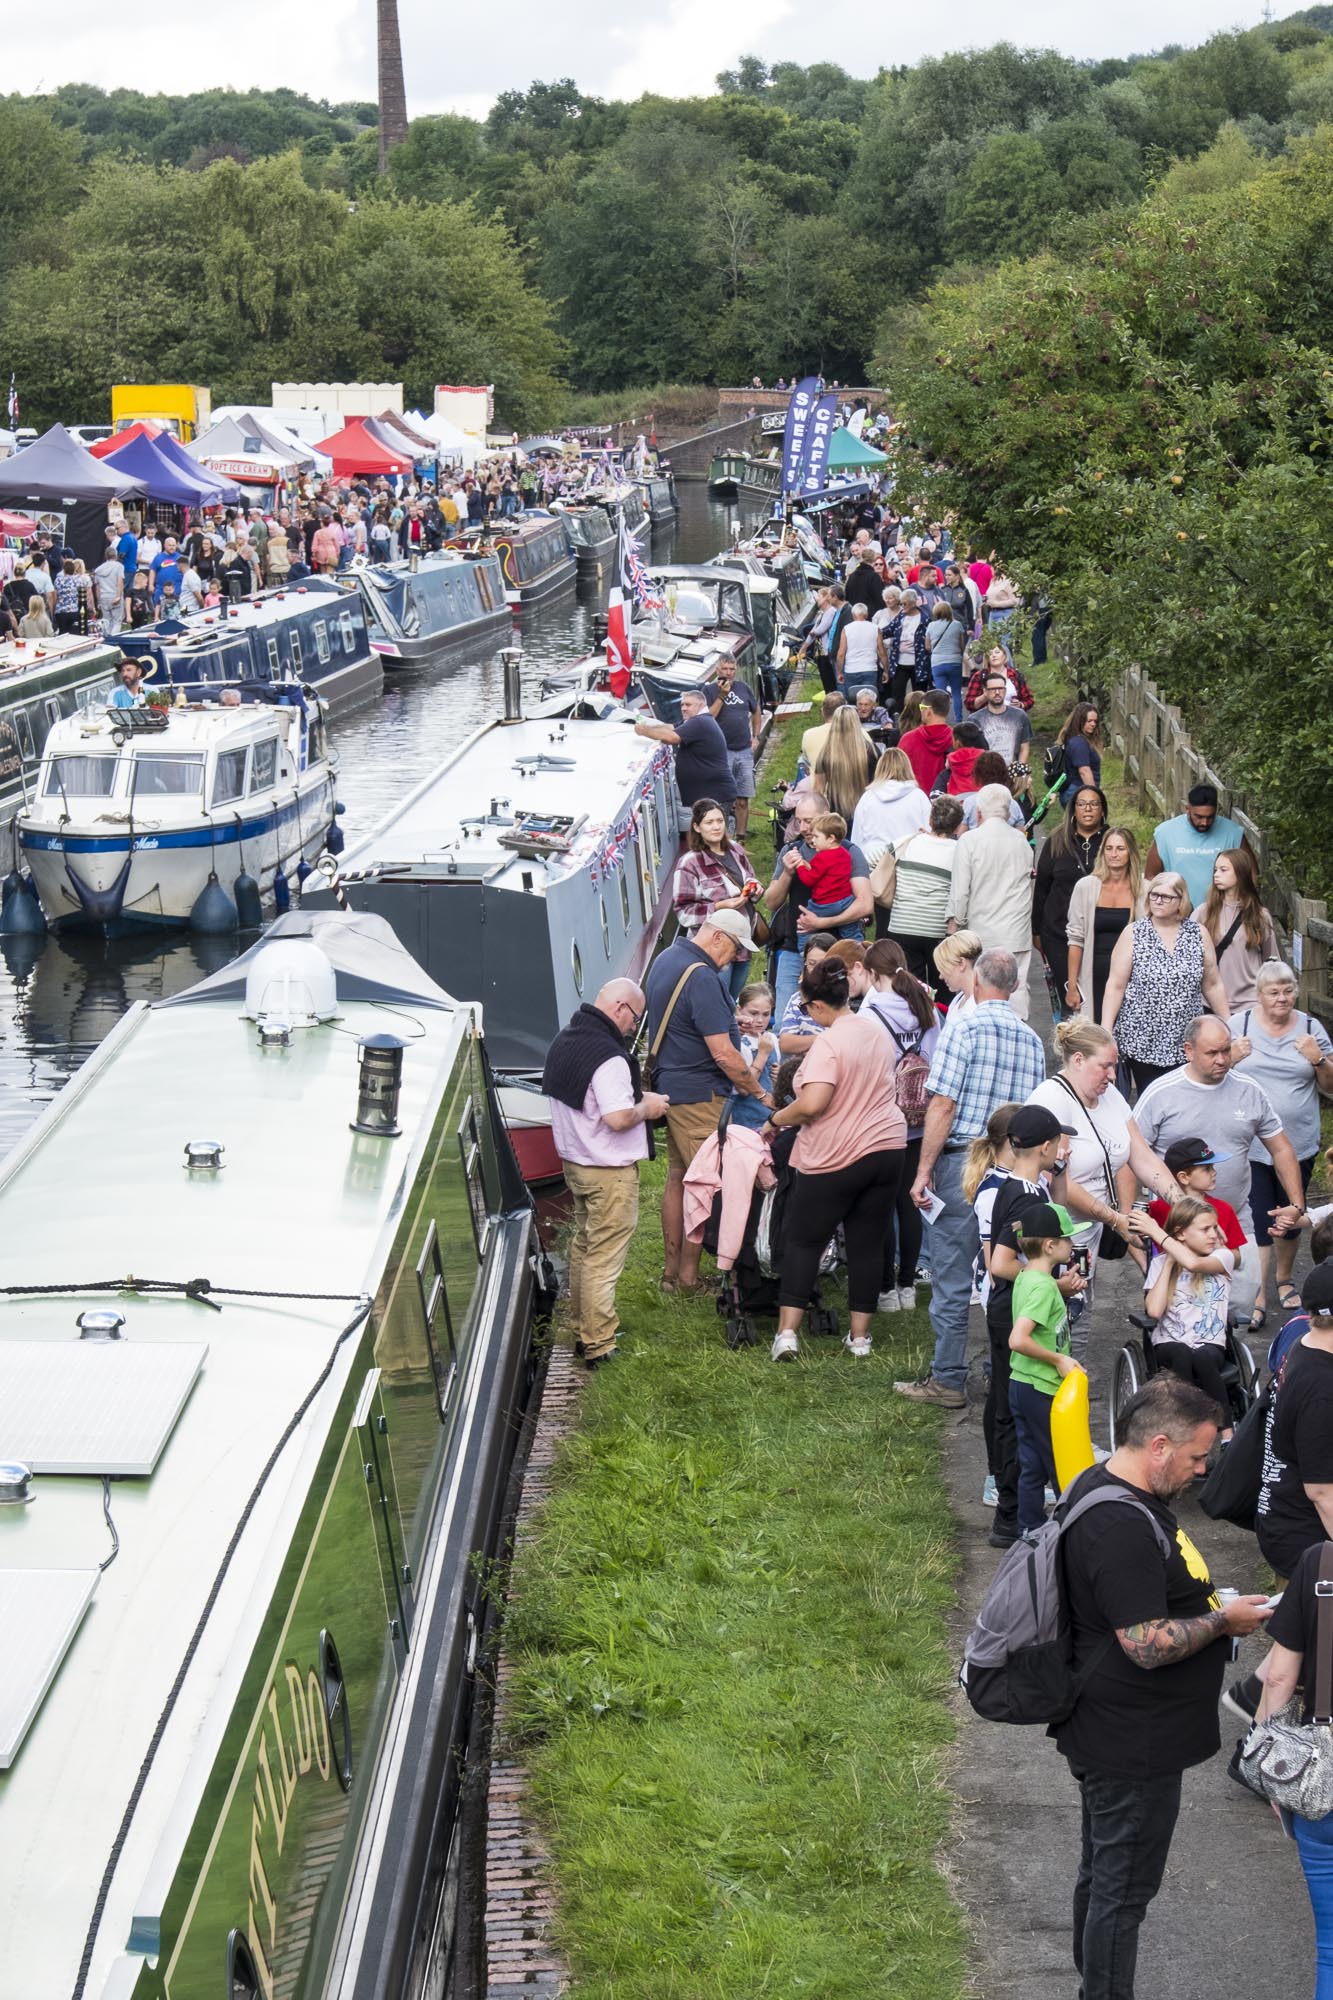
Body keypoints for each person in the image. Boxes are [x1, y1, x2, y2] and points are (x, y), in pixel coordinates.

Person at [1055, 1376, 1272, 2000]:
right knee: (1121, 1891)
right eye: (1198, 1456)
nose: (1203, 1470)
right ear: (1157, 1445)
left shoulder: (1103, 1486)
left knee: (1102, 1875)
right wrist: (1222, 1621)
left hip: (1116, 1726)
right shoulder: (1121, 1526)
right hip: (1133, 1738)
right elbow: (1145, 1642)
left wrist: (1213, 1602)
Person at [895, 949, 1046, 1407]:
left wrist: (923, 1171)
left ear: (977, 984)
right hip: (1014, 1167)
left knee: (952, 1273)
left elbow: (942, 1104)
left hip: (965, 1161)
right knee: (1009, 1273)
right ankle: (1005, 1371)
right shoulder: (1032, 1040)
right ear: (1016, 986)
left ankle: (947, 1377)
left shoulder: (963, 1027)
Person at [762, 956, 907, 1362]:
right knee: (866, 1243)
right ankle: (860, 1339)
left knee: (804, 1240)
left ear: (818, 1006)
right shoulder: (875, 1031)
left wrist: (775, 1119)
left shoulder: (828, 1042)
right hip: (886, 1149)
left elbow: (812, 1104)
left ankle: (787, 1335)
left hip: (835, 1155)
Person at [1131, 1014, 1307, 1320]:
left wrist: (1296, 1204)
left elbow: (1280, 1148)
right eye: (1212, 1053)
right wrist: (1129, 1212)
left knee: (1238, 1307)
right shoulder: (1161, 1093)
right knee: (1180, 1314)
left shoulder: (1248, 1089)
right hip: (1178, 1227)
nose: (1223, 1059)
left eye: (1226, 1050)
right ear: (1189, 1050)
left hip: (1235, 1219)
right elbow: (1130, 1152)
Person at [541, 979, 668, 1369]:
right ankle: (598, 1343)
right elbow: (616, 1117)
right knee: (603, 1256)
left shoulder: (565, 1039)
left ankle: (582, 1324)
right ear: (620, 1008)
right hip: (607, 1171)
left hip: (575, 1163)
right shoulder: (609, 1056)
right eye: (636, 1018)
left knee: (583, 1245)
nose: (635, 1027)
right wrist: (648, 1107)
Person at [644, 909, 764, 1294]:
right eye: (734, 949)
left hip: (672, 1088)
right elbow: (725, 1055)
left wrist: (731, 1022)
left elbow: (684, 1019)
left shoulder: (668, 959)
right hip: (699, 1096)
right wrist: (757, 1089)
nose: (734, 958)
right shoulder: (703, 977)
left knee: (678, 1179)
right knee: (702, 1185)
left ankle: (671, 1274)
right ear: (716, 938)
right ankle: (689, 1280)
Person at [1252, 1440, 1333, 1996]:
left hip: (1325, 1775)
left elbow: (1278, 1678)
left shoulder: (1319, 1563)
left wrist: (1268, 1764)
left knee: (1331, 1945)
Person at [985, 1117, 1082, 1545]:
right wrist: (1050, 1284)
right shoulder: (1023, 1197)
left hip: (1018, 1306)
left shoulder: (1028, 1188)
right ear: (1045, 1146)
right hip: (1016, 1315)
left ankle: (1018, 1518)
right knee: (1013, 1419)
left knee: (1010, 1413)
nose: (1063, 1150)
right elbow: (999, 1263)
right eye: (1059, 1143)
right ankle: (1012, 1517)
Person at [1229, 959, 1333, 1320]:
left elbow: (1331, 1086)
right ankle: (1257, 1293)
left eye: (1288, 990)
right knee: (1259, 1215)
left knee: (1292, 1211)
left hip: (1300, 1139)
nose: (1282, 998)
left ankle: (1284, 1278)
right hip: (1251, 1141)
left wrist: (1318, 1059)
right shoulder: (1239, 1025)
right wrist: (1231, 1056)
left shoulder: (1310, 1028)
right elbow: (1214, 1070)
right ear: (1259, 995)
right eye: (1273, 992)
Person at [1029, 1016, 1176, 1271]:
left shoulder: (1111, 1096)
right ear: (1078, 1060)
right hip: (1057, 1237)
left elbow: (1142, 1157)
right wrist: (1115, 1219)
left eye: (1115, 1066)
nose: (1112, 1075)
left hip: (1091, 1231)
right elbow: (1057, 1178)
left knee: (1082, 1307)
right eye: (1105, 1066)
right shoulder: (1052, 1100)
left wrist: (1182, 1200)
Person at [863, 937, 940, 1311]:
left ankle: (885, 1290)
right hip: (920, 1119)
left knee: (880, 1206)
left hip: (882, 1121)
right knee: (910, 1204)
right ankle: (909, 1286)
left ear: (873, 973)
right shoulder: (926, 1006)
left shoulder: (871, 1012)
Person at [1101, 874, 1229, 1094]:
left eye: (1166, 896)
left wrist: (1228, 1024)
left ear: (1181, 900)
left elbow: (1212, 983)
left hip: (1186, 1037)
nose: (1158, 900)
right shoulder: (1134, 933)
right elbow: (1115, 985)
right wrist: (1106, 1029)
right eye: (1154, 895)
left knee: (1188, 1097)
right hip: (1142, 1036)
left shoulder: (1198, 934)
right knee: (1150, 1096)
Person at [1008, 1199, 1083, 1537]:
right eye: (1068, 1239)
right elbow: (1018, 1339)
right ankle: (1072, 1530)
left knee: (1032, 1465)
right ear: (1051, 1245)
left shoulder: (1029, 1277)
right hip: (1041, 1386)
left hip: (1020, 1384)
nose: (1072, 1244)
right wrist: (1059, 1359)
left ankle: (1030, 1529)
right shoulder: (1042, 1287)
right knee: (1060, 1462)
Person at [1131, 1198, 1238, 1433]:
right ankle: (1186, 1428)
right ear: (1180, 1234)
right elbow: (1155, 1311)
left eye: (1214, 1227)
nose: (1213, 1234)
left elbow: (1193, 1262)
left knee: (1201, 1357)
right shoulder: (1160, 1264)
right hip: (1170, 1343)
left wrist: (1157, 1234)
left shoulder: (1222, 1258)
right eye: (1205, 1229)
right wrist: (1169, 1262)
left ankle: (1227, 1433)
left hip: (1208, 1343)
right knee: (1181, 1352)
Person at [764, 793, 874, 1020]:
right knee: (785, 1021)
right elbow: (771, 902)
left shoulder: (849, 852)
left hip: (840, 951)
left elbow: (865, 905)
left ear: (826, 817)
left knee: (840, 1023)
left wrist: (822, 922)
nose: (803, 827)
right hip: (796, 950)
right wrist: (787, 872)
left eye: (809, 821)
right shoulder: (790, 851)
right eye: (798, 821)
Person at [946, 786, 1037, 1018]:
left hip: (981, 932)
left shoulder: (969, 841)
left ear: (978, 813)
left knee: (980, 995)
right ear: (1008, 813)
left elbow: (959, 891)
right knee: (1015, 994)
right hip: (1016, 932)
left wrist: (955, 928)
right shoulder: (1022, 842)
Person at [671, 799, 758, 995]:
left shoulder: (735, 849)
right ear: (697, 827)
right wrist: (719, 907)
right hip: (712, 949)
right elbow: (684, 913)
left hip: (742, 944)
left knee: (732, 1000)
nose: (717, 826)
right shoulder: (689, 863)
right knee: (715, 1000)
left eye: (720, 820)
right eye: (709, 822)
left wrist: (754, 888)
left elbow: (750, 876)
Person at [878, 794, 964, 991]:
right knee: (943, 988)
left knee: (909, 990)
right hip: (937, 930)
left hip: (902, 925)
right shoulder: (959, 851)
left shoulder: (907, 842)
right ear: (958, 826)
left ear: (930, 820)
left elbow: (873, 859)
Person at [1033, 787, 1107, 1005]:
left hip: (1099, 931)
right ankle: (1069, 1036)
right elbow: (1042, 888)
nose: (1088, 809)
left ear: (1102, 810)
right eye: (1082, 804)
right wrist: (1036, 931)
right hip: (1058, 933)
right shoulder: (1057, 841)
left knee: (1098, 994)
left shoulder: (1111, 842)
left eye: (1094, 804)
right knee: (1070, 995)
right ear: (1073, 809)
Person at [1065, 826, 1144, 1023]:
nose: (1114, 854)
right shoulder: (1086, 886)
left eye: (1120, 849)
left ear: (1130, 852)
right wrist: (1073, 986)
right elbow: (1076, 939)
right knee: (1095, 1033)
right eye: (1109, 849)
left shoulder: (1145, 890)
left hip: (1133, 976)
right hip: (1095, 971)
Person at [1194, 847, 1278, 1012]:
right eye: (1215, 870)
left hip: (1250, 1003)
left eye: (1223, 870)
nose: (1216, 874)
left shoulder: (1260, 915)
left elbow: (1271, 961)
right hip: (1210, 1002)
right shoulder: (1203, 912)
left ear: (1240, 873)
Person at [1146, 784, 1251, 909]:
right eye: (1199, 817)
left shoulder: (1233, 833)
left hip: (1221, 911)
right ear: (1187, 809)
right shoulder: (1165, 833)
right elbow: (1150, 877)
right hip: (1176, 912)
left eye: (1210, 817)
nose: (1204, 822)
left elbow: (1252, 874)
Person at [636, 688, 734, 819]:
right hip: (710, 794)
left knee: (711, 835)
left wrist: (644, 731)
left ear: (701, 705)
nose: (683, 708)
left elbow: (672, 737)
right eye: (682, 705)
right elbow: (671, 727)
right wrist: (647, 725)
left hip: (714, 795)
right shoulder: (697, 721)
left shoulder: (700, 721)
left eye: (688, 705)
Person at [706, 655, 761, 839]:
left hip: (744, 750)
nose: (729, 673)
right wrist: (722, 694)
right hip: (722, 752)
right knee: (723, 799)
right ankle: (723, 838)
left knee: (743, 799)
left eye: (732, 669)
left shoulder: (743, 688)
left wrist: (756, 736)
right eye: (725, 669)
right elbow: (708, 717)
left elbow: (756, 710)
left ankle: (741, 838)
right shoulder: (708, 691)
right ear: (717, 670)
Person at [849, 746, 931, 866]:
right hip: (908, 860)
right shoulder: (919, 797)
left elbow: (857, 837)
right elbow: (929, 831)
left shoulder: (868, 797)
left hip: (873, 860)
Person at [788, 812, 856, 934]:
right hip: (845, 901)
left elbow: (809, 880)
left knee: (804, 924)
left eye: (816, 837)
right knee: (850, 930)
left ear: (831, 838)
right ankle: (856, 947)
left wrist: (800, 865)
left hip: (825, 903)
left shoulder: (822, 857)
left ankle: (804, 948)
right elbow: (826, 873)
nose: (813, 840)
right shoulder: (845, 853)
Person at [809, 705, 876, 825]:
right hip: (868, 812)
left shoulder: (826, 753)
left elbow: (818, 790)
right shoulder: (871, 751)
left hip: (836, 816)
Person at [729, 983, 778, 1128]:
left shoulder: (772, 1039)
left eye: (766, 1014)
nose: (760, 1020)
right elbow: (743, 1089)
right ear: (739, 1010)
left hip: (769, 1119)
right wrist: (762, 1055)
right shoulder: (739, 1043)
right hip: (745, 1121)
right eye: (754, 1013)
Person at [899, 687, 956, 792]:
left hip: (914, 801)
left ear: (927, 712)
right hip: (944, 803)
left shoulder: (907, 739)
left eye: (921, 707)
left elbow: (898, 773)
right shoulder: (957, 739)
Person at [974, 670, 1033, 771]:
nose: (997, 693)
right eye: (993, 689)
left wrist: (1019, 772)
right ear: (985, 691)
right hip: (986, 773)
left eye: (1000, 689)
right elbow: (973, 752)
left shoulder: (1020, 716)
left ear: (1005, 690)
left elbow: (1024, 747)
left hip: (1012, 771)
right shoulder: (975, 719)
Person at [835, 601, 887, 704]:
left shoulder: (846, 629)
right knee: (869, 701)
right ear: (866, 615)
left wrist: (839, 672)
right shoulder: (875, 629)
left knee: (853, 701)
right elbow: (882, 652)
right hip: (870, 669)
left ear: (853, 615)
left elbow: (841, 654)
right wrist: (886, 671)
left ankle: (854, 719)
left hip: (851, 670)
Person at [925, 598, 966, 720]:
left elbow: (927, 646)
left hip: (937, 663)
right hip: (954, 661)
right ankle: (958, 719)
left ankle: (941, 719)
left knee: (940, 694)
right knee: (956, 692)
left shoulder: (931, 626)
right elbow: (961, 645)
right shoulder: (957, 625)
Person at [1053, 701, 1102, 801]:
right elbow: (1084, 771)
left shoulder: (1073, 739)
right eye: (1090, 721)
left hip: (1075, 790)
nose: (1093, 724)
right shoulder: (1079, 743)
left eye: (1095, 721)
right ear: (1080, 721)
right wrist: (1094, 795)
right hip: (1078, 791)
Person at [933, 928, 983, 1018]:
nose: (941, 976)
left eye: (944, 967)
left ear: (962, 964)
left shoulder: (979, 1007)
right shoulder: (959, 999)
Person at [800, 690, 846, 772]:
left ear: (823, 712)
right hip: (854, 783)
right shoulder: (860, 733)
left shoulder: (808, 734)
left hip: (818, 783)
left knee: (801, 760)